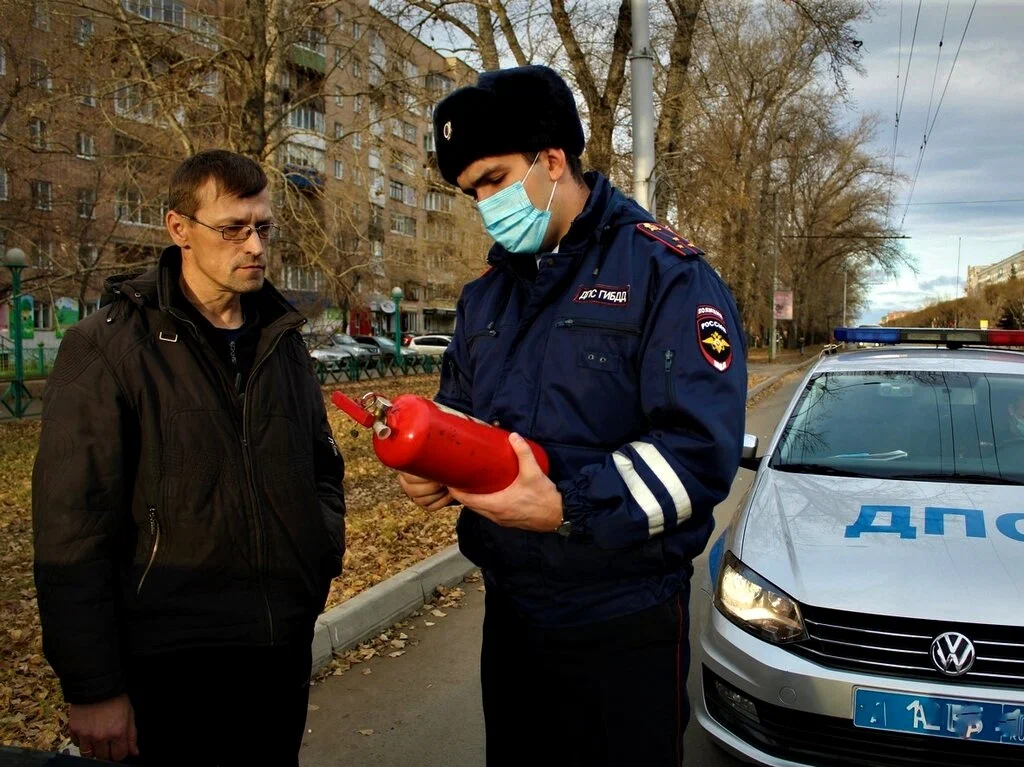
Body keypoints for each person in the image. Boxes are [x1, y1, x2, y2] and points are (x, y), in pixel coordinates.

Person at [399, 65, 747, 767]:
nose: (484, 205)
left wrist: (568, 506)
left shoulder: (666, 274)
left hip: (626, 620)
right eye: (471, 193)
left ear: (552, 159)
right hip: (513, 614)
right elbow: (461, 414)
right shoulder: (485, 298)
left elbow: (698, 454)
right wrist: (429, 459)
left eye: (494, 180)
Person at [32, 150, 345, 765]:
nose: (254, 245)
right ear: (180, 230)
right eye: (233, 229)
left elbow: (321, 469)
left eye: (263, 227)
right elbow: (71, 532)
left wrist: (318, 550)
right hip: (167, 665)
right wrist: (93, 687)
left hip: (277, 648)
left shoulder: (281, 340)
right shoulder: (107, 347)